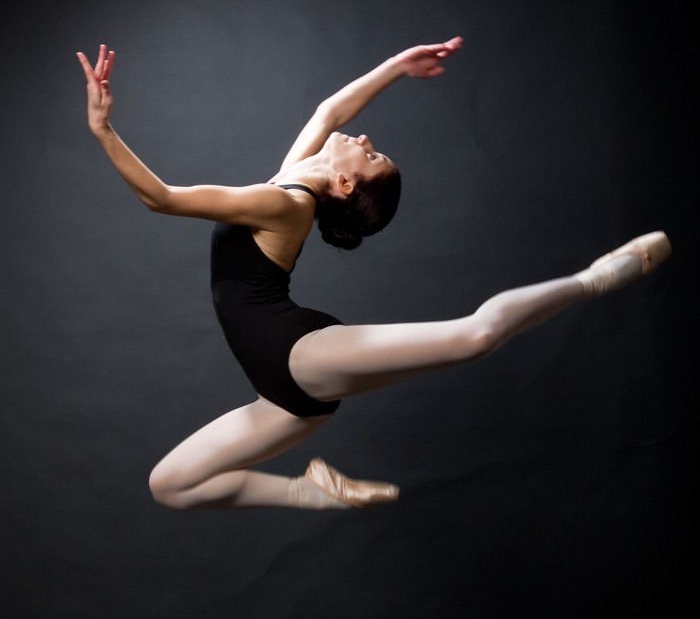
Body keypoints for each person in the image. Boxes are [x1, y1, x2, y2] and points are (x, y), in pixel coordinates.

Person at [77, 39, 671, 511]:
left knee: (475, 336)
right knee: (172, 485)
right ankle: (311, 492)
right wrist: (397, 67)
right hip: (281, 397)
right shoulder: (292, 182)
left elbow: (161, 198)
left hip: (295, 355)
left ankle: (596, 277)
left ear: (344, 184)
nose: (363, 139)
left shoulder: (283, 204)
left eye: (370, 155)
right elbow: (331, 111)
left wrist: (104, 129)